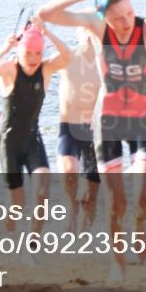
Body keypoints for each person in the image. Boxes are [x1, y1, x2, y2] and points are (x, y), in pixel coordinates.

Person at [38, 0, 146, 280]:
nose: (125, 22)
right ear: (103, 19)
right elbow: (46, 15)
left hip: (140, 124)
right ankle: (117, 263)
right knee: (116, 202)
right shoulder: (97, 28)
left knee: (145, 198)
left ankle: (139, 227)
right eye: (116, 18)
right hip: (106, 122)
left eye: (128, 13)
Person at [0, 17, 72, 245]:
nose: (33, 60)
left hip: (32, 139)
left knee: (43, 184)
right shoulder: (10, 69)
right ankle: (9, 237)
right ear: (19, 52)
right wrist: (4, 48)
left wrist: (48, 31)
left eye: (38, 54)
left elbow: (67, 56)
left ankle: (33, 242)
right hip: (9, 142)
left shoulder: (45, 69)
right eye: (28, 54)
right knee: (16, 205)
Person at [56, 27, 103, 234]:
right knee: (68, 172)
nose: (90, 35)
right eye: (86, 30)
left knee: (90, 193)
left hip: (98, 130)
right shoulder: (67, 58)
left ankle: (84, 237)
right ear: (79, 34)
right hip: (69, 126)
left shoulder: (107, 62)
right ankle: (71, 215)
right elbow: (35, 69)